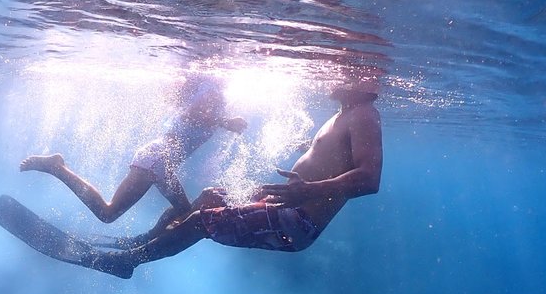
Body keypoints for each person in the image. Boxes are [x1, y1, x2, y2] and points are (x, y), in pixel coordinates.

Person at [83, 79, 382, 279]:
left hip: (296, 222)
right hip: (286, 207)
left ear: (363, 79)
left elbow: (369, 180)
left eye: (342, 67)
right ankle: (142, 243)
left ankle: (127, 263)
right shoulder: (346, 114)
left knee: (201, 220)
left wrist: (308, 190)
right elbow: (338, 159)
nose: (331, 73)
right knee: (210, 196)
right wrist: (309, 150)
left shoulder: (364, 114)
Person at [19, 74, 247, 227]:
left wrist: (221, 120)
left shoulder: (212, 96)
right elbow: (193, 114)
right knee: (110, 214)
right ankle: (57, 167)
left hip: (156, 159)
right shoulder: (211, 92)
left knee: (183, 213)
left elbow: (194, 114)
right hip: (157, 160)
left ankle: (142, 247)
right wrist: (223, 121)